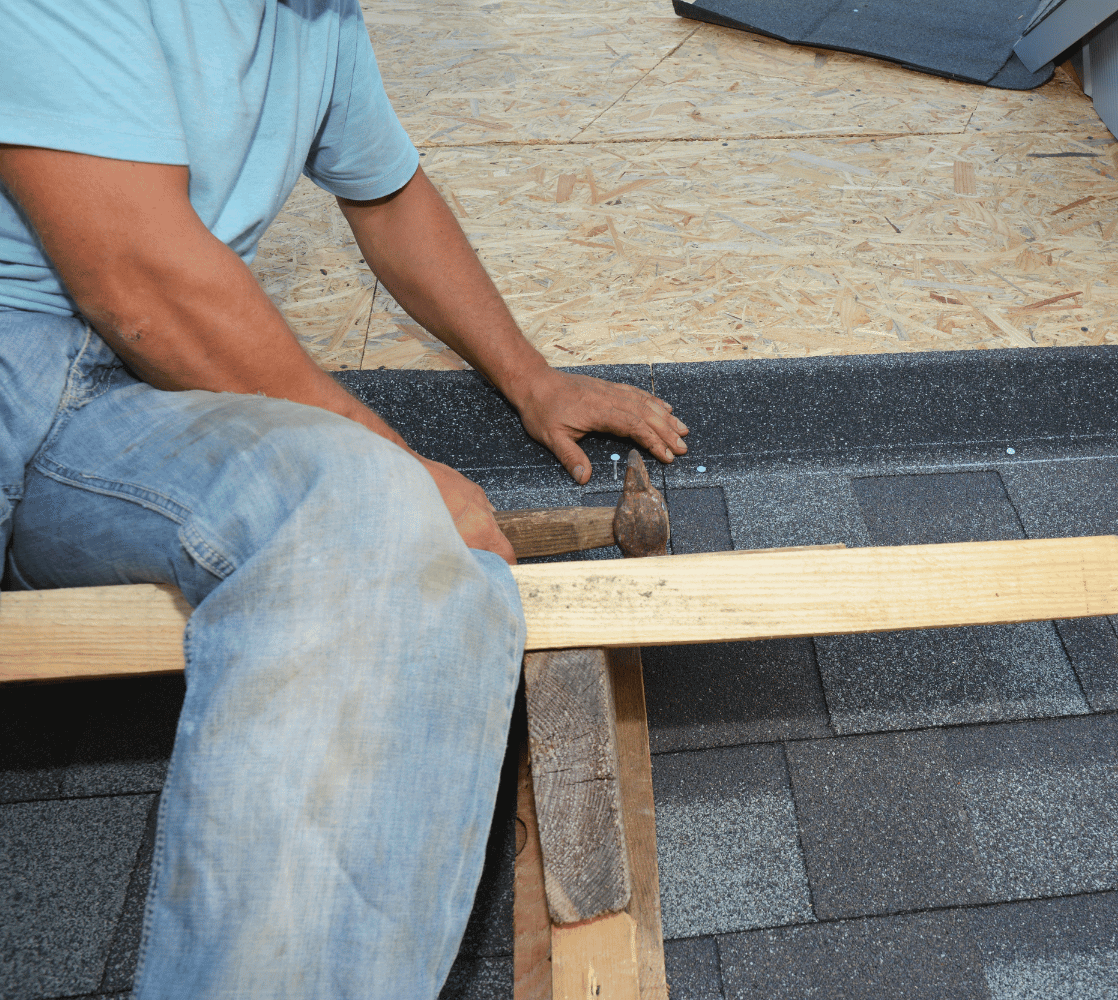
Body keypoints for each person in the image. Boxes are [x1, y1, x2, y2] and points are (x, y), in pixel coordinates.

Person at [0, 2, 688, 996]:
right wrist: (409, 463)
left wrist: (529, 378)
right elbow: (139, 280)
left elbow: (391, 196)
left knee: (367, 520)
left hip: (137, 394)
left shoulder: (317, 19)